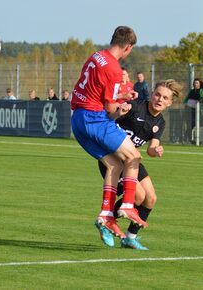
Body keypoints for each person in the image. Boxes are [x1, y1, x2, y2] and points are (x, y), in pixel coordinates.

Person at [70, 26, 148, 245]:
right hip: (94, 118)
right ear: (128, 47)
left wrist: (121, 94)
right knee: (133, 156)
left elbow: (99, 92)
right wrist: (122, 106)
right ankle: (127, 205)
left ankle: (106, 213)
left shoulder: (96, 57)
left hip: (78, 119)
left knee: (114, 164)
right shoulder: (114, 69)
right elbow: (110, 108)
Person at [97, 79, 182, 250]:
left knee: (150, 198)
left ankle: (130, 238)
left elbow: (151, 149)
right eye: (157, 94)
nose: (160, 99)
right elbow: (109, 118)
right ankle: (105, 220)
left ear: (170, 103)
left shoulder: (160, 122)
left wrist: (156, 151)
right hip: (115, 159)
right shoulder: (135, 106)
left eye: (165, 98)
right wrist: (117, 113)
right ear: (151, 94)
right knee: (138, 196)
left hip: (132, 160)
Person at [183, 78, 203, 143]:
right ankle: (188, 139)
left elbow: (202, 98)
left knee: (193, 124)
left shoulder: (201, 91)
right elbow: (186, 99)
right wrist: (185, 104)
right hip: (188, 109)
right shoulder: (191, 91)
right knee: (188, 124)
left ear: (200, 84)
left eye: (197, 83)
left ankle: (187, 137)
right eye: (194, 83)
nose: (195, 84)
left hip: (196, 110)